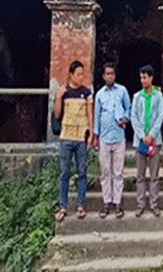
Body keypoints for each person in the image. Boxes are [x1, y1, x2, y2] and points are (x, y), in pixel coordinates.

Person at [54, 60, 94, 222]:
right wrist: (58, 97)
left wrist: (91, 134)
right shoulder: (64, 92)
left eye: (82, 74)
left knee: (82, 172)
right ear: (71, 75)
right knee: (64, 173)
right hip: (66, 136)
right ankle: (63, 205)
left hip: (81, 137)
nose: (81, 77)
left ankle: (80, 205)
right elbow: (57, 114)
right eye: (78, 74)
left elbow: (89, 114)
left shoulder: (87, 92)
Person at [92, 61, 131, 219]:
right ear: (103, 76)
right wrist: (95, 137)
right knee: (105, 172)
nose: (110, 76)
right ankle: (106, 203)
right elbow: (96, 116)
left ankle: (118, 203)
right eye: (107, 74)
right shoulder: (100, 94)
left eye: (112, 73)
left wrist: (125, 119)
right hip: (104, 138)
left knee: (118, 172)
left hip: (119, 137)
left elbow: (129, 108)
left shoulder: (122, 91)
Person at [131, 64, 163, 217]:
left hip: (154, 140)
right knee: (140, 175)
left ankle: (154, 203)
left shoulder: (158, 96)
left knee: (154, 174)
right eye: (141, 78)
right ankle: (140, 203)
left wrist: (151, 135)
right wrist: (141, 135)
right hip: (140, 141)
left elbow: (159, 117)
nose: (142, 80)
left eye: (145, 77)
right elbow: (134, 117)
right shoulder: (137, 96)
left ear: (151, 78)